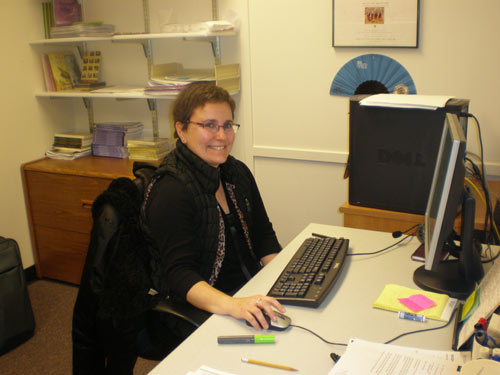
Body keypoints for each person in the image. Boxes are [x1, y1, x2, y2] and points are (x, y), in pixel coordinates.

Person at [141, 82, 286, 357]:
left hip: (248, 294)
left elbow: (263, 237)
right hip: (200, 310)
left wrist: (288, 279)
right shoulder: (171, 190)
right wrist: (235, 306)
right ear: (181, 130)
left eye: (228, 125)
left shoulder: (236, 172)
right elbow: (180, 277)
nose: (222, 135)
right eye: (209, 125)